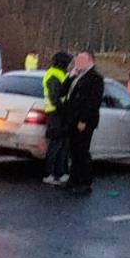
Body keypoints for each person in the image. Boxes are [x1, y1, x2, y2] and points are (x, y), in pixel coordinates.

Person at [62, 52, 104, 196]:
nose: (77, 62)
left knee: (82, 151)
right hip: (72, 119)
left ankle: (85, 182)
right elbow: (62, 92)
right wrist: (70, 76)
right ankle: (73, 180)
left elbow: (93, 101)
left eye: (81, 60)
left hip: (84, 121)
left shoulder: (95, 78)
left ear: (90, 61)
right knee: (73, 151)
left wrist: (83, 120)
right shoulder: (77, 75)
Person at [41, 51, 73, 185]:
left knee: (62, 145)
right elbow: (55, 97)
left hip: (59, 113)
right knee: (55, 145)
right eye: (68, 63)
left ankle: (60, 173)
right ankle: (49, 174)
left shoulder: (60, 74)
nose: (70, 65)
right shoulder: (54, 75)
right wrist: (63, 109)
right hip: (55, 113)